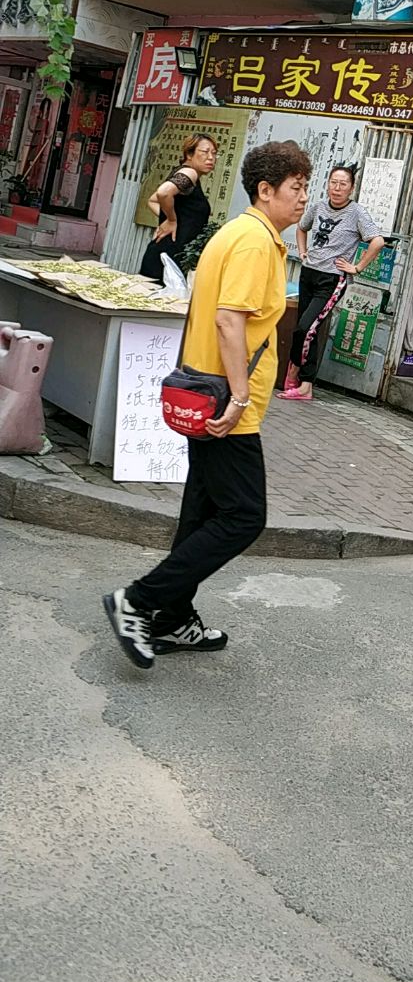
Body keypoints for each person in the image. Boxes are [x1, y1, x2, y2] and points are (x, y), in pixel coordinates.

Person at [103, 140, 312, 670]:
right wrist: (240, 397)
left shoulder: (243, 233)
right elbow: (228, 320)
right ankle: (140, 599)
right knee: (244, 515)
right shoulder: (252, 242)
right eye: (297, 188)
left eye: (306, 186)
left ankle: (172, 618)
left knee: (201, 513)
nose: (304, 198)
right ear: (265, 191)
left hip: (208, 397)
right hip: (224, 404)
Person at [278, 164, 384, 402]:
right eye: (333, 182)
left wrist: (356, 267)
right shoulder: (317, 206)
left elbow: (377, 241)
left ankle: (297, 372)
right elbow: (301, 228)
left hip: (331, 280)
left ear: (352, 188)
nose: (337, 188)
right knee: (309, 330)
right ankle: (305, 386)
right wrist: (303, 252)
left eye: (343, 184)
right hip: (309, 273)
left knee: (305, 328)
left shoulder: (357, 213)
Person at [138, 132, 218, 284]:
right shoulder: (190, 173)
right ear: (189, 154)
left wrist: (169, 219)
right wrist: (171, 220)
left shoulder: (184, 174)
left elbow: (153, 200)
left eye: (214, 153)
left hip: (166, 255)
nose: (211, 158)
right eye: (205, 152)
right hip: (167, 258)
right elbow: (163, 193)